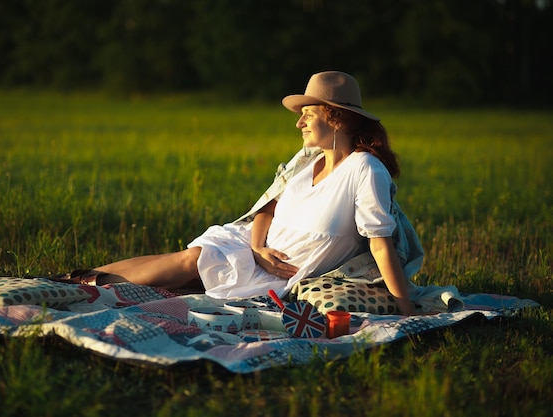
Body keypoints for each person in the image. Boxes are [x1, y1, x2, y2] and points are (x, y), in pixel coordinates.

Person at [53, 71, 418, 315]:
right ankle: (79, 279)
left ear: (336, 117)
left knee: (188, 266)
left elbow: (379, 243)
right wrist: (257, 249)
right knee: (188, 259)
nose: (299, 122)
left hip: (279, 275)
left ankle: (83, 286)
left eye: (308, 113)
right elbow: (265, 210)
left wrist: (405, 309)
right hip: (252, 246)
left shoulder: (365, 169)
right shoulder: (307, 162)